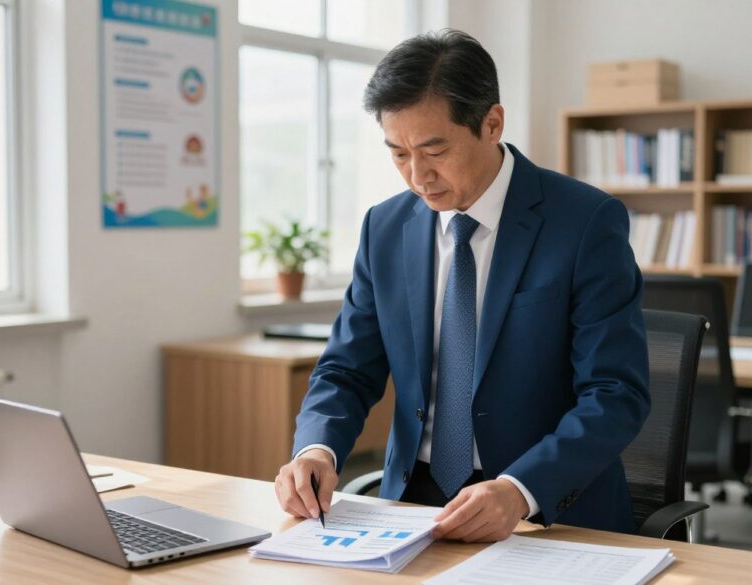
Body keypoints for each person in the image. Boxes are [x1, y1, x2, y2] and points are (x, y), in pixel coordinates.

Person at [273, 30, 650, 543]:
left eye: (434, 150)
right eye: (398, 154)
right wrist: (315, 450)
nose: (417, 177)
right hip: (411, 507)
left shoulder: (584, 223)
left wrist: (518, 488)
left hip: (542, 509)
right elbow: (346, 368)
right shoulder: (384, 228)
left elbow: (615, 393)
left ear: (492, 123)